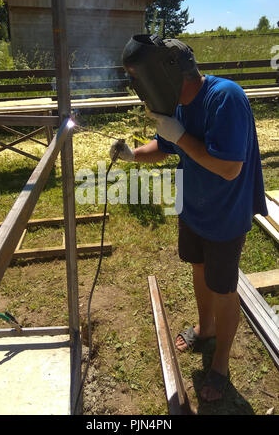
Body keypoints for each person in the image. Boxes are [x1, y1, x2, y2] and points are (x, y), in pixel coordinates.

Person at [109, 36, 268, 402]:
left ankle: (221, 363)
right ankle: (206, 329)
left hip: (226, 212)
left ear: (170, 73)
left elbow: (229, 168)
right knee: (198, 268)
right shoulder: (175, 102)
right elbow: (163, 146)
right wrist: (133, 154)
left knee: (224, 289)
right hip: (194, 206)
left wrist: (180, 137)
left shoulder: (225, 98)